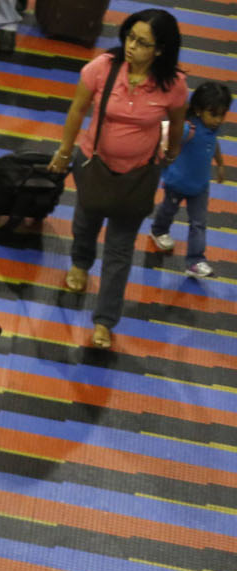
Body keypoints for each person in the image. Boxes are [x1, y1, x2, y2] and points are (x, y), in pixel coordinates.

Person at [45, 9, 188, 350]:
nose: (131, 46)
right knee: (85, 221)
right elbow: (77, 110)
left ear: (160, 50)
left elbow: (177, 122)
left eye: (142, 43)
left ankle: (105, 321)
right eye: (129, 37)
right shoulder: (102, 68)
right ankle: (80, 262)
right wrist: (65, 152)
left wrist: (172, 153)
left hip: (139, 176)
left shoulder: (173, 85)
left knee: (121, 250)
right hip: (94, 166)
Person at [151, 81, 229, 279]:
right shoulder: (188, 129)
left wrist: (220, 164)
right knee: (169, 209)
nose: (218, 120)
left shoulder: (212, 130)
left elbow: (213, 144)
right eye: (214, 114)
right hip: (176, 183)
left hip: (200, 187)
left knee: (198, 223)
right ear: (199, 110)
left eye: (222, 114)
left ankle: (195, 260)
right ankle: (159, 230)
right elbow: (165, 133)